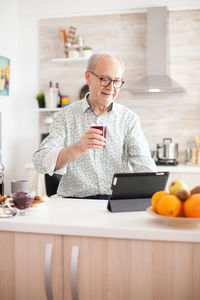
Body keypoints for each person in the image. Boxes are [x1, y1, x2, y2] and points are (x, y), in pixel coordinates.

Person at [33, 53, 156, 199]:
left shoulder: (128, 119)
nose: (111, 87)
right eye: (104, 79)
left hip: (114, 202)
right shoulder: (65, 116)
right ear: (88, 77)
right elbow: (39, 162)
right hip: (74, 203)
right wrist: (77, 148)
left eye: (116, 81)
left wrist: (157, 195)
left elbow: (144, 165)